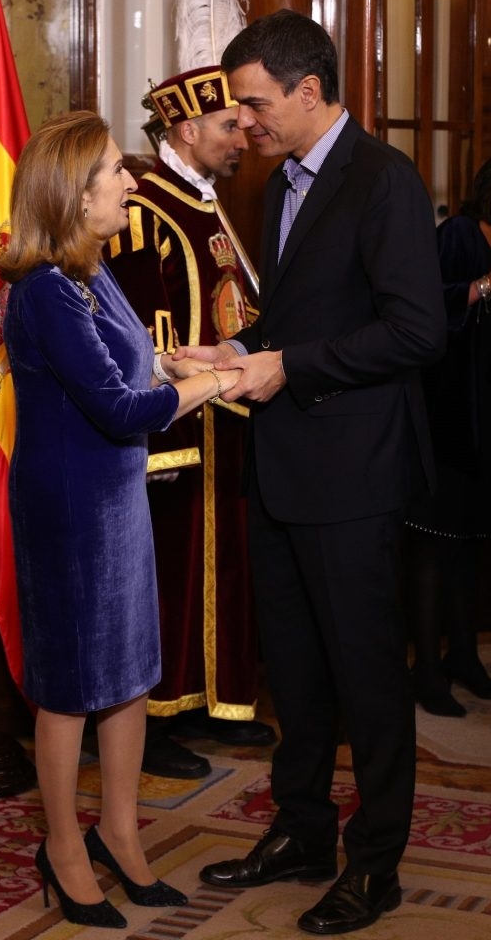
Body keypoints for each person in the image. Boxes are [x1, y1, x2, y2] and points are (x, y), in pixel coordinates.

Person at [182, 11, 446, 936]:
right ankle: (302, 831)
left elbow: (418, 331)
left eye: (255, 105)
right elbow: (304, 313)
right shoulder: (279, 181)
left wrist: (287, 366)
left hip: (354, 472)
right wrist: (236, 347)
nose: (244, 123)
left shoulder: (384, 181)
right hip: (285, 463)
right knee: (292, 672)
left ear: (307, 91)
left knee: (366, 678)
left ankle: (376, 864)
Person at [0, 110, 232, 930]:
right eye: (115, 172)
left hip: (117, 505)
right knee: (68, 690)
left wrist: (180, 361)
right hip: (70, 510)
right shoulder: (44, 291)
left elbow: (125, 364)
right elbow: (118, 407)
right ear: (73, 192)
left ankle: (121, 836)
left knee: (129, 677)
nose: (131, 182)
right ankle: (63, 847)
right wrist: (219, 384)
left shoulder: (93, 274)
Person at [102, 66, 275, 779]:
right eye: (229, 126)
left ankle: (208, 700)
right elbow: (140, 330)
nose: (244, 137)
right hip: (171, 429)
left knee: (217, 566)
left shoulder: (206, 200)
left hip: (225, 418)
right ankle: (154, 715)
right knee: (167, 575)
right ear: (186, 129)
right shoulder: (144, 204)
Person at [404, 151, 491, 717]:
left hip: (489, 422)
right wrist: (486, 284)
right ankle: (426, 670)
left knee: (468, 547)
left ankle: (464, 657)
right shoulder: (461, 235)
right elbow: (421, 312)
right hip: (442, 421)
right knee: (432, 548)